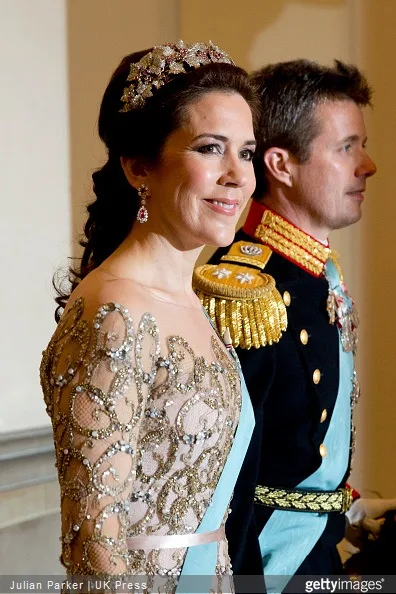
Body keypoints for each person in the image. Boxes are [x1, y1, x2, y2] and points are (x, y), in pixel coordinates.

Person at [39, 40, 264, 590]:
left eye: (248, 153)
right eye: (211, 148)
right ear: (140, 166)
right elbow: (94, 537)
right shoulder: (116, 310)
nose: (236, 175)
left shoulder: (191, 302)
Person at [194, 59, 377, 587]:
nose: (367, 164)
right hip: (271, 563)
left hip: (319, 549)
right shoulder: (243, 290)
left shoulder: (318, 273)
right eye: (346, 147)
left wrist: (349, 505)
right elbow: (222, 481)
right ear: (281, 164)